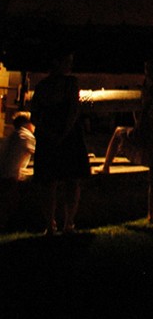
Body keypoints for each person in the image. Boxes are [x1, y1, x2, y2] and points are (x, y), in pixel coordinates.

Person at [100, 56, 153, 223]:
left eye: (148, 71)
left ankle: (105, 167)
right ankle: (151, 214)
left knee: (118, 132)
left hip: (146, 133)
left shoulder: (150, 91)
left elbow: (144, 114)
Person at [30, 48, 91, 235]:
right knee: (55, 182)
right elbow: (72, 110)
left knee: (61, 181)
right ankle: (57, 224)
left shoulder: (50, 85)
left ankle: (63, 223)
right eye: (67, 61)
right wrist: (59, 133)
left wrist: (52, 133)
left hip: (58, 136)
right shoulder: (57, 85)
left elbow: (37, 115)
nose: (70, 65)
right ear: (56, 62)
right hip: (63, 136)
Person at [0, 112, 36, 231]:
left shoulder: (13, 135)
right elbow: (38, 152)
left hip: (3, 173)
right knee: (8, 202)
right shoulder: (26, 136)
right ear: (27, 123)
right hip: (10, 176)